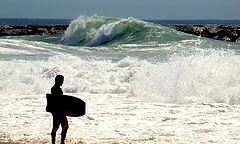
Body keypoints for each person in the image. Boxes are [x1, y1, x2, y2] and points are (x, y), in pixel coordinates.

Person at [50, 75, 68, 144]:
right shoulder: (56, 89)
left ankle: (56, 142)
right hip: (58, 111)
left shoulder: (54, 88)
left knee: (57, 127)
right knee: (62, 126)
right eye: (62, 80)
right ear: (58, 80)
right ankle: (61, 142)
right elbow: (58, 101)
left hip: (57, 111)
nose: (62, 82)